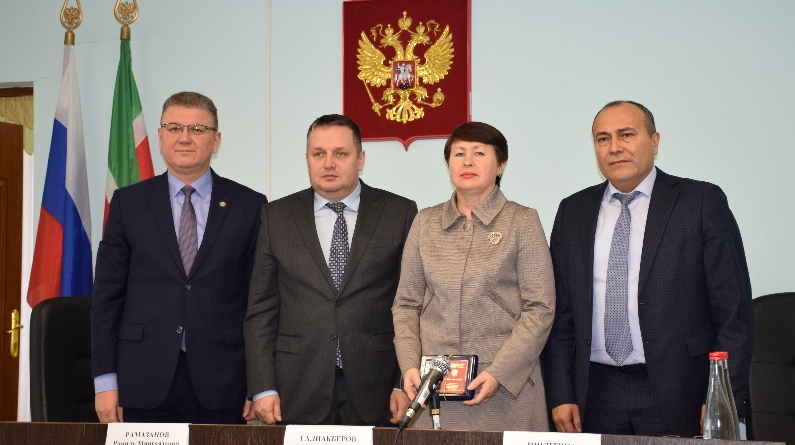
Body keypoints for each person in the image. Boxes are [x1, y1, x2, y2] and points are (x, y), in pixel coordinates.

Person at [543, 101, 753, 436]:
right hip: (594, 393)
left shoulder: (700, 202)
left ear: (655, 142)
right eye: (603, 138)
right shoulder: (573, 211)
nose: (614, 147)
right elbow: (561, 314)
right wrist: (560, 393)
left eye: (626, 135)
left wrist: (720, 397)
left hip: (681, 388)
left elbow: (733, 313)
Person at [91, 92, 267, 423]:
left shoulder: (250, 205)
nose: (185, 137)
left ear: (216, 140)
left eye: (198, 129)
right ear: (160, 137)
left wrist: (257, 383)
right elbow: (106, 298)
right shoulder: (128, 204)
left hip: (224, 381)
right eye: (174, 128)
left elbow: (258, 302)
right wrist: (105, 381)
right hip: (140, 379)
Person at [244, 114, 417, 425]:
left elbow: (412, 304)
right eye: (318, 154)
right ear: (307, 159)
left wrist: (402, 381)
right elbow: (261, 309)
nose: (328, 164)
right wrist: (263, 386)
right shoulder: (276, 216)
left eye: (340, 153)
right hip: (297, 386)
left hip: (377, 386)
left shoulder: (399, 212)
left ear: (360, 159)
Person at [392, 122, 556, 431]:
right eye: (459, 154)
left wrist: (500, 373)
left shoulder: (522, 221)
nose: (467, 161)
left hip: (506, 389)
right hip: (435, 387)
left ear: (500, 165)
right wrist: (410, 366)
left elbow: (540, 308)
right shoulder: (425, 222)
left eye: (479, 153)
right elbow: (406, 305)